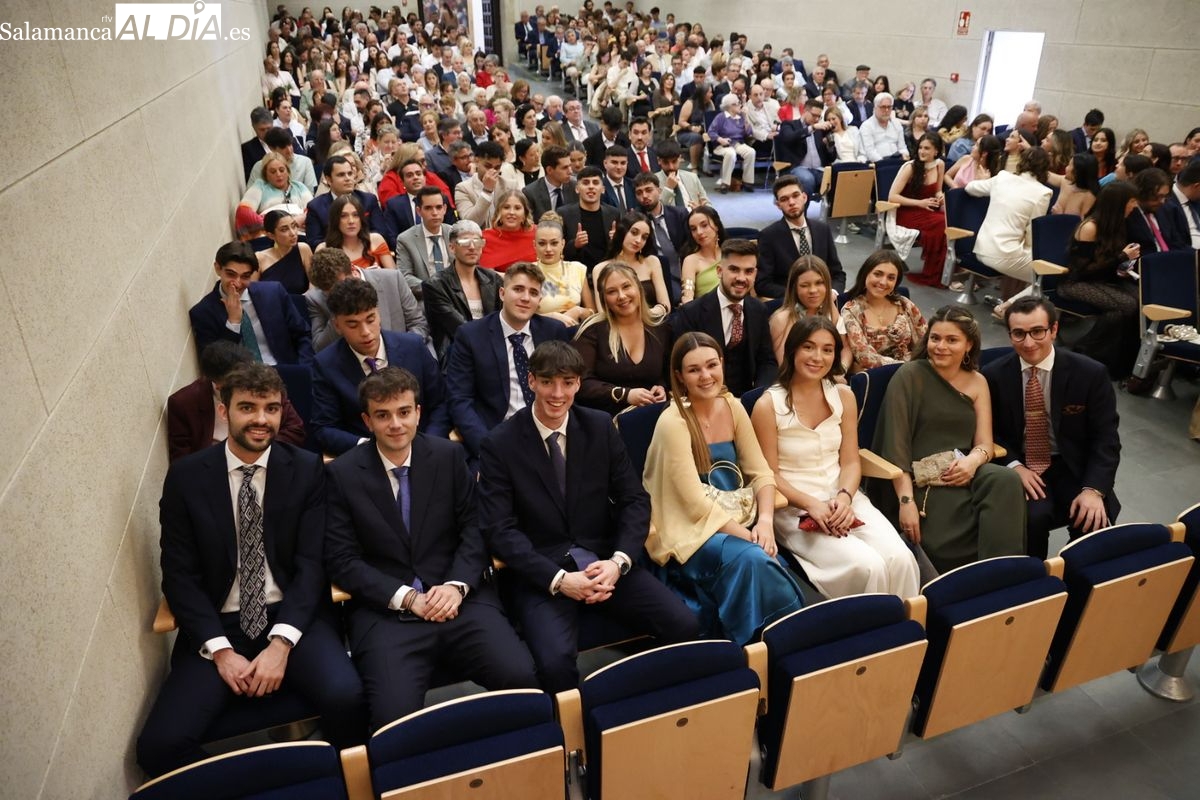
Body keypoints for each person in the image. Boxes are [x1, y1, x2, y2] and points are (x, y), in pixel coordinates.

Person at [137, 363, 367, 777]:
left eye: (271, 408)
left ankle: (335, 782)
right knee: (159, 747)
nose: (261, 419)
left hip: (292, 617)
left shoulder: (307, 469)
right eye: (248, 407)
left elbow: (312, 565)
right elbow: (178, 575)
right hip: (218, 625)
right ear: (224, 411)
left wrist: (280, 645)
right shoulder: (186, 478)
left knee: (348, 697)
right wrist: (221, 651)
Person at [323, 367, 538, 730]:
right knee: (391, 721)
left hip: (459, 601)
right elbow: (341, 560)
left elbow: (475, 528)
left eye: (404, 412)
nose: (396, 424)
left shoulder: (448, 456)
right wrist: (407, 598)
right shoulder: (340, 475)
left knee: (522, 679)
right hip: (388, 614)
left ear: (418, 412)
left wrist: (456, 586)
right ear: (367, 421)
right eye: (383, 415)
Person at [478, 341, 700, 692]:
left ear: (579, 383)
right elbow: (500, 530)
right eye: (548, 382)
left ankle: (657, 708)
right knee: (554, 665)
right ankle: (576, 728)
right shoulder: (500, 443)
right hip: (543, 576)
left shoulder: (600, 426)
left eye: (567, 383)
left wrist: (618, 562)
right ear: (531, 381)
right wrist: (559, 580)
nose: (557, 394)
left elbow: (634, 500)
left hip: (604, 562)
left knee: (684, 624)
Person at [642, 332, 805, 643]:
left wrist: (766, 523)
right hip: (692, 530)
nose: (705, 376)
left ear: (722, 363)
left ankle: (776, 643)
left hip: (733, 520)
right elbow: (694, 504)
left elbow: (761, 472)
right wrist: (750, 537)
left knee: (758, 559)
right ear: (680, 376)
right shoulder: (672, 422)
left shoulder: (733, 406)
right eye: (694, 370)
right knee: (755, 560)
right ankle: (777, 641)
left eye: (711, 365)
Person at [752, 318, 919, 598]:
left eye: (827, 349)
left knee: (900, 559)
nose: (818, 357)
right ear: (793, 350)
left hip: (844, 495)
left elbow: (851, 461)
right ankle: (868, 625)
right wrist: (811, 504)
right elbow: (769, 475)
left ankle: (907, 624)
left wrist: (844, 498)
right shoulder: (767, 405)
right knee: (868, 567)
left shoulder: (844, 395)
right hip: (795, 507)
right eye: (809, 347)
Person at [872, 306, 1026, 573]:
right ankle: (975, 579)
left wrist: (972, 462)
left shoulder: (978, 382)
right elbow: (894, 448)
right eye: (935, 338)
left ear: (969, 345)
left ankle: (1002, 575)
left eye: (951, 340)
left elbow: (985, 443)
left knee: (1006, 479)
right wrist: (906, 502)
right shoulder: (910, 375)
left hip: (963, 469)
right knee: (947, 539)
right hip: (921, 482)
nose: (941, 346)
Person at [984, 297, 1122, 560]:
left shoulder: (1090, 374)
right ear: (1009, 334)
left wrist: (1093, 490)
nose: (1028, 343)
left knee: (1094, 520)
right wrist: (1014, 466)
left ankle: (1075, 577)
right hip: (1024, 463)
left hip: (1073, 463)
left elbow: (1105, 438)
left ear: (1054, 330)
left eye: (1037, 331)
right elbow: (990, 432)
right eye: (1019, 333)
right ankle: (1035, 578)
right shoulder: (993, 375)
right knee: (1031, 520)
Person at [444, 263, 572, 463]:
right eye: (518, 289)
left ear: (539, 300)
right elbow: (459, 399)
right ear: (502, 293)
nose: (525, 298)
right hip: (495, 436)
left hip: (547, 433)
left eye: (533, 292)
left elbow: (567, 387)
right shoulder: (471, 335)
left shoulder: (553, 331)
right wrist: (486, 448)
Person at [311, 279, 448, 454]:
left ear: (379, 313)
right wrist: (369, 448)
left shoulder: (413, 347)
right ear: (337, 326)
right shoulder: (325, 364)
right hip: (366, 457)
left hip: (423, 447)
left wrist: (428, 443)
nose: (365, 332)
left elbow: (441, 403)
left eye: (370, 319)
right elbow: (324, 428)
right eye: (353, 325)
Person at [1056, 181, 1143, 379]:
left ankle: (1116, 362)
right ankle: (1087, 352)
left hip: (1102, 279)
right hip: (1075, 283)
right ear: (1119, 203)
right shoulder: (1090, 228)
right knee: (1127, 305)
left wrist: (1122, 267)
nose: (1134, 206)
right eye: (1131, 201)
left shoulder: (1117, 224)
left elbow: (1107, 263)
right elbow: (1082, 270)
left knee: (1139, 301)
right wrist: (1121, 257)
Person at [166, 342, 306, 462]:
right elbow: (182, 461)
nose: (246, 383)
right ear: (217, 383)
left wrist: (257, 450)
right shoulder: (183, 403)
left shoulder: (266, 386)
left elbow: (295, 429)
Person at [671, 239, 776, 396]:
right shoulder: (691, 313)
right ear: (719, 271)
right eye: (734, 270)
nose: (741, 278)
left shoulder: (759, 310)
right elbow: (680, 367)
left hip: (748, 398)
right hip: (706, 397)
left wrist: (759, 395)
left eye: (748, 271)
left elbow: (767, 361)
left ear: (755, 274)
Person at [190, 242, 313, 366]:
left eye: (245, 276)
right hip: (241, 376)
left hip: (284, 369)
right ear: (218, 268)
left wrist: (304, 369)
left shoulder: (273, 292)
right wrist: (233, 323)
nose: (237, 283)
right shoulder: (203, 312)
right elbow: (213, 365)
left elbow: (303, 334)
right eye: (231, 274)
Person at [574, 262, 669, 415]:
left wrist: (661, 388)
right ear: (604, 299)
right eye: (612, 291)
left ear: (638, 287)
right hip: (607, 418)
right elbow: (580, 383)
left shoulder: (660, 327)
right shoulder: (592, 330)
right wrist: (625, 394)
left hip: (654, 414)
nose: (622, 296)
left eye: (626, 286)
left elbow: (667, 374)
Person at [965, 148, 1054, 308]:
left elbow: (969, 188)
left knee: (1033, 263)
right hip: (1004, 254)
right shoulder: (1043, 193)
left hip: (981, 247)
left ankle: (1009, 302)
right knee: (1048, 274)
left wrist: (986, 181)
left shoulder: (1002, 177)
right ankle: (1008, 307)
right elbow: (1032, 233)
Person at [421, 220, 504, 359]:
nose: (472, 247)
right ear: (452, 247)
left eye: (477, 242)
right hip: (457, 354)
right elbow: (460, 330)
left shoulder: (493, 279)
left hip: (493, 350)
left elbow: (502, 321)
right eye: (465, 242)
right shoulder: (435, 285)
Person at [756, 176, 846, 297]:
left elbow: (838, 273)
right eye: (784, 199)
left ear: (804, 197)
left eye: (795, 196)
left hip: (824, 297)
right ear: (778, 205)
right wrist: (799, 295)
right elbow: (762, 284)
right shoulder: (769, 236)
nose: (791, 202)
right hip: (790, 301)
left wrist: (833, 292)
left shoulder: (822, 229)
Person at [841, 250, 928, 372]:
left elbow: (926, 340)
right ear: (865, 274)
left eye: (891, 278)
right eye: (878, 274)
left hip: (913, 372)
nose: (883, 282)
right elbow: (865, 357)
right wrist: (908, 366)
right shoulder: (851, 311)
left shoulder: (905, 304)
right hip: (879, 375)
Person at [768, 255, 849, 369]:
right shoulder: (782, 319)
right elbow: (785, 367)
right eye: (805, 285)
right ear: (794, 288)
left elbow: (845, 348)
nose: (813, 290)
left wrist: (842, 370)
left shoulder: (830, 310)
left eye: (819, 283)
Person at [890, 134, 948, 287]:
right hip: (907, 211)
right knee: (942, 223)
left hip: (927, 209)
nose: (922, 151)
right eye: (920, 147)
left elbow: (938, 190)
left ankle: (940, 271)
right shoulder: (910, 167)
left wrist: (940, 197)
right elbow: (892, 196)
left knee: (948, 221)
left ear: (936, 151)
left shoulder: (940, 165)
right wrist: (920, 203)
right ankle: (933, 274)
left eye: (927, 148)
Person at [594, 210, 670, 314]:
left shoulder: (652, 262)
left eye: (644, 237)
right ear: (622, 231)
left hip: (653, 319)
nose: (638, 240)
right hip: (617, 323)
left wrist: (647, 316)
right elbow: (602, 312)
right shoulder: (600, 269)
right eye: (634, 233)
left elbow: (665, 305)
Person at [532, 213, 595, 327]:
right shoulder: (528, 272)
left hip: (575, 332)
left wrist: (578, 311)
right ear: (534, 245)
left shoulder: (577, 269)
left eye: (554, 243)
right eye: (542, 243)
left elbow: (593, 313)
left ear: (562, 244)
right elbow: (520, 317)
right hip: (541, 332)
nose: (548, 249)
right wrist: (553, 317)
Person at [305, 155, 383, 247]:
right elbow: (314, 242)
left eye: (350, 173)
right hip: (333, 254)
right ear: (328, 180)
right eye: (341, 175)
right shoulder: (316, 207)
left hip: (366, 250)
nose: (348, 178)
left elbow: (380, 232)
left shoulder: (368, 200)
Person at [237, 153, 314, 241]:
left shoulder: (299, 187)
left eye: (282, 170)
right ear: (265, 174)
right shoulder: (260, 186)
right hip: (270, 238)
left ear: (288, 171)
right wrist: (276, 224)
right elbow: (243, 212)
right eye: (273, 172)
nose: (278, 174)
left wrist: (302, 218)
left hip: (300, 235)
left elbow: (313, 209)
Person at [558, 165, 621, 271]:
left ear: (603, 189)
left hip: (606, 271)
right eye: (586, 183)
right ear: (577, 189)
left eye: (595, 183)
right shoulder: (564, 214)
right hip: (575, 272)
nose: (591, 187)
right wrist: (575, 244)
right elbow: (557, 248)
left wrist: (616, 240)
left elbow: (619, 251)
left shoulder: (613, 213)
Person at [393, 186, 453, 297]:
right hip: (426, 297)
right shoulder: (406, 239)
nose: (435, 213)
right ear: (419, 211)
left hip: (457, 295)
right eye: (428, 208)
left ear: (444, 209)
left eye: (439, 207)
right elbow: (404, 276)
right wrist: (434, 288)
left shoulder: (454, 234)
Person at [317, 195, 395, 270]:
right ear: (335, 220)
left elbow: (394, 276)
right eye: (343, 216)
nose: (351, 221)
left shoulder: (375, 240)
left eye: (356, 215)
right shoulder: (324, 250)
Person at [707, 93, 757, 193]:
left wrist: (746, 116)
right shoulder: (721, 117)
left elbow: (748, 133)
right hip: (722, 146)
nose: (740, 105)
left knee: (751, 152)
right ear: (731, 106)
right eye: (738, 103)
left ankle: (747, 182)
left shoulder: (741, 117)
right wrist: (720, 139)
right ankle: (725, 183)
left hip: (738, 144)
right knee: (731, 153)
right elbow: (711, 132)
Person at [256, 210, 312, 295]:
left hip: (302, 300)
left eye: (294, 226)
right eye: (284, 230)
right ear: (271, 235)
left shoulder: (303, 249)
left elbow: (314, 284)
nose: (293, 233)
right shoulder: (259, 258)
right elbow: (252, 292)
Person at [679, 205, 727, 303]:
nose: (699, 232)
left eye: (704, 225)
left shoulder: (730, 252)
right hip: (707, 310)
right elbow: (687, 294)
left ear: (716, 226)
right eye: (693, 229)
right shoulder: (691, 260)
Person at [481, 189, 538, 271]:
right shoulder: (486, 238)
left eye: (517, 208)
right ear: (499, 211)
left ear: (525, 213)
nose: (511, 212)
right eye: (506, 207)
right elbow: (486, 273)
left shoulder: (538, 233)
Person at [523, 144, 578, 222]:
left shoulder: (575, 186)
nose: (570, 171)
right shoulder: (530, 193)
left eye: (570, 166)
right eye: (565, 168)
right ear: (549, 170)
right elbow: (529, 224)